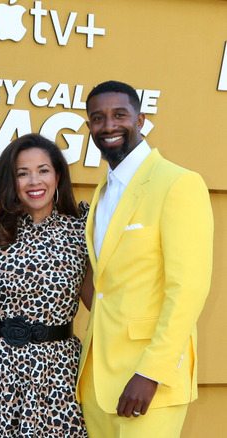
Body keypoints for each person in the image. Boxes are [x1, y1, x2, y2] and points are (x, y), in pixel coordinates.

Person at [76, 80, 213, 438]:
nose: (109, 125)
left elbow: (188, 289)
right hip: (97, 381)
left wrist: (151, 372)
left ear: (140, 120)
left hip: (149, 383)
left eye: (120, 115)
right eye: (98, 118)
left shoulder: (178, 183)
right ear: (89, 126)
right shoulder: (103, 191)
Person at [0, 133, 92, 437]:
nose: (34, 181)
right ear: (10, 181)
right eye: (22, 173)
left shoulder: (81, 230)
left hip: (56, 373)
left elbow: (98, 301)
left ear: (57, 176)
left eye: (43, 170)